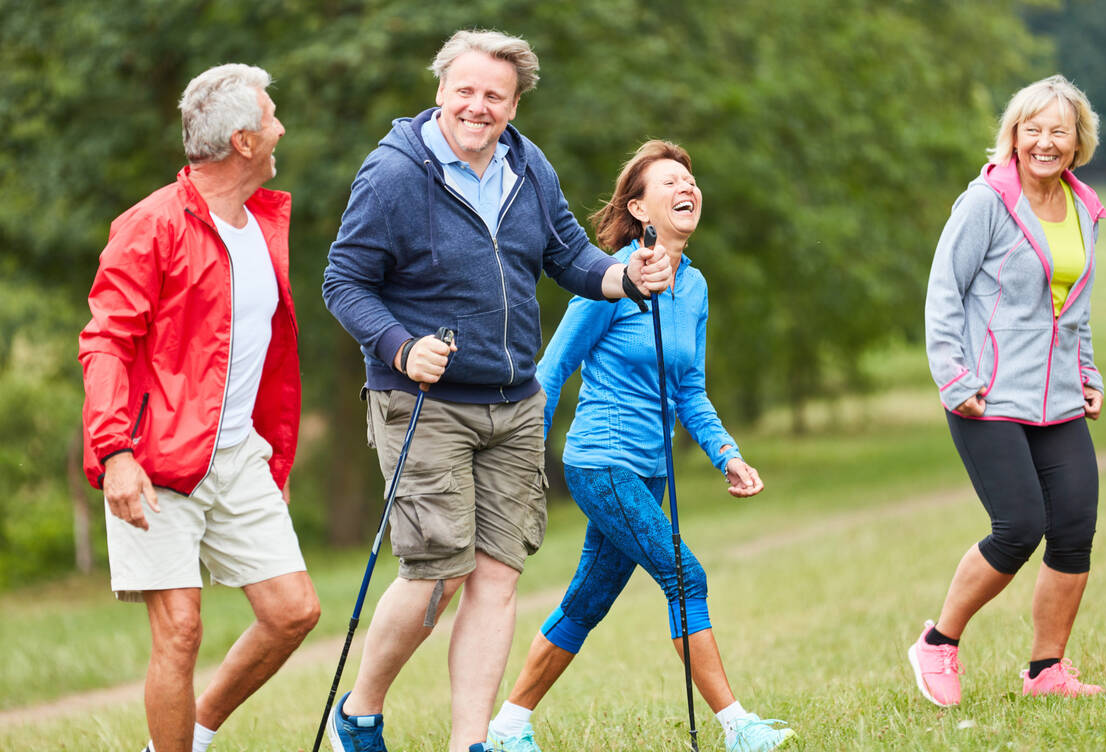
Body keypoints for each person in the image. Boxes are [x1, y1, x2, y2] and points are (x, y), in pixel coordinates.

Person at [321, 30, 671, 752]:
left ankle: (470, 743)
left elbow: (571, 257)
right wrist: (399, 344)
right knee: (436, 572)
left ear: (514, 105)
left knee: (497, 577)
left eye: (495, 96)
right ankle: (359, 710)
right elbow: (343, 282)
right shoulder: (393, 175)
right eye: (466, 91)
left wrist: (627, 278)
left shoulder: (526, 164)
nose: (478, 107)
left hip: (514, 403)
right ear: (440, 90)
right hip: (424, 401)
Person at [486, 140, 796, 752]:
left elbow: (690, 390)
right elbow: (550, 372)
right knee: (687, 577)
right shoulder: (608, 281)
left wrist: (727, 454)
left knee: (588, 599)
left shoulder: (696, 288)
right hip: (601, 463)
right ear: (640, 208)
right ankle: (739, 727)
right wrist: (521, 459)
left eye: (691, 179)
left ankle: (507, 727)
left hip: (649, 472)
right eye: (670, 181)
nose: (688, 188)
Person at [78, 64, 320, 752]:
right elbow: (104, 345)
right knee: (180, 630)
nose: (281, 130)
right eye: (271, 118)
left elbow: (260, 354)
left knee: (292, 612)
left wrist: (274, 451)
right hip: (154, 458)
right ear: (244, 141)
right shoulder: (150, 225)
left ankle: (194, 731)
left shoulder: (264, 222)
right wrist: (116, 453)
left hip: (239, 454)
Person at [910, 74, 1106, 707]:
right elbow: (944, 292)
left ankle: (1046, 670)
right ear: (1014, 136)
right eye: (1033, 129)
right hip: (986, 395)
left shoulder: (1084, 209)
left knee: (1073, 526)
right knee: (1019, 526)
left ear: (1078, 140)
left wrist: (1088, 372)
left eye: (1059, 131)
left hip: (1058, 399)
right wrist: (955, 377)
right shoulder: (986, 201)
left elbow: (1071, 307)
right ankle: (938, 642)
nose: (1045, 142)